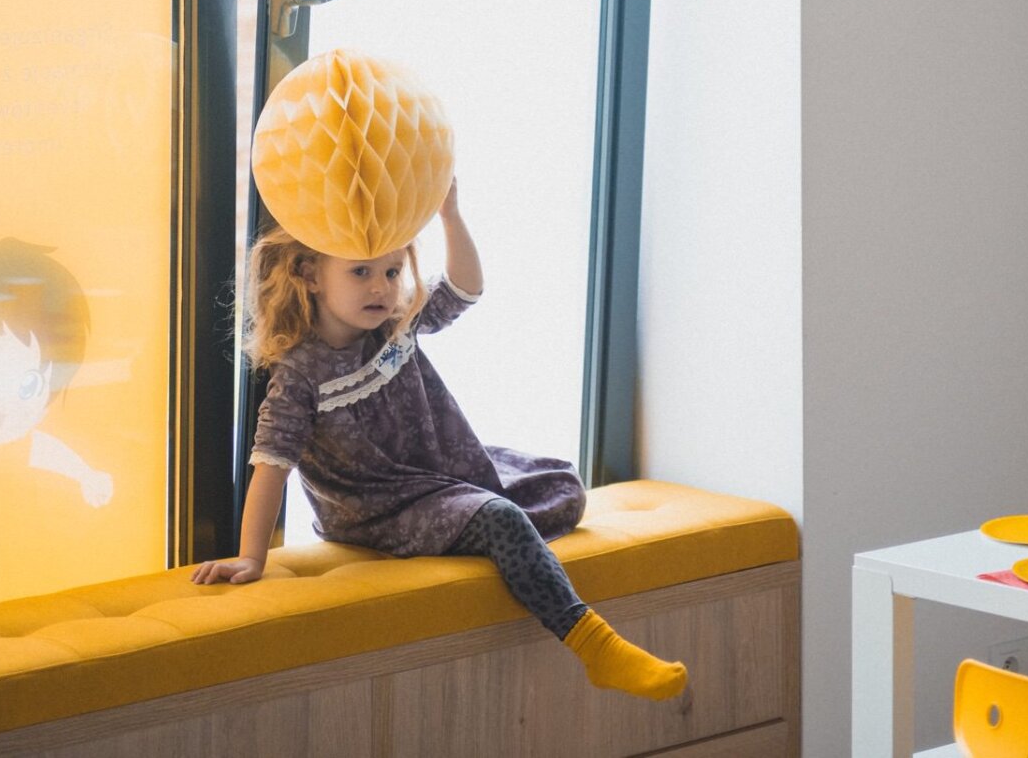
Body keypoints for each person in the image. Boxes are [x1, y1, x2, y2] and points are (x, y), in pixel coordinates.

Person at [192, 178, 687, 702]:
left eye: (391, 270)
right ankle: (596, 645)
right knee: (501, 518)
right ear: (310, 274)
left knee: (562, 484)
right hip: (377, 508)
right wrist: (252, 558)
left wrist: (450, 214)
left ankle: (492, 538)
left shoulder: (394, 323)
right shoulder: (300, 376)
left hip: (438, 473)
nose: (380, 288)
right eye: (360, 272)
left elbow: (465, 288)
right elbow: (271, 466)